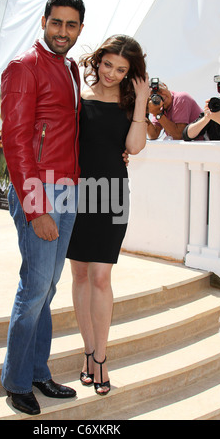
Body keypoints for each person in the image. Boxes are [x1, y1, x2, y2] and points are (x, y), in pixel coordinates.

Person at [0, 0, 85, 416]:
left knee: (48, 288)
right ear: (44, 22)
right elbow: (13, 143)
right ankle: (16, 381)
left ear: (79, 29)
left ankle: (37, 371)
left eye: (71, 25)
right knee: (34, 288)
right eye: (56, 23)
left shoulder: (71, 69)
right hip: (41, 191)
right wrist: (36, 207)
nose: (62, 32)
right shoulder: (23, 68)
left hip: (68, 189)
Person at [66, 35, 149, 396]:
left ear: (131, 73)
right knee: (80, 274)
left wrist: (143, 102)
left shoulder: (130, 103)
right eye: (108, 65)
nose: (113, 74)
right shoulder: (78, 98)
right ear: (97, 61)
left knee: (101, 277)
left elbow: (133, 147)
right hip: (75, 193)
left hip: (112, 194)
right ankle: (86, 352)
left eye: (122, 69)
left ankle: (101, 356)